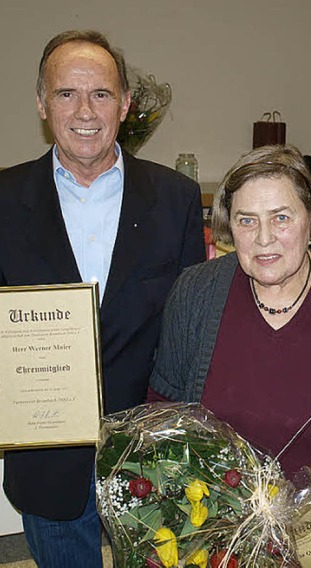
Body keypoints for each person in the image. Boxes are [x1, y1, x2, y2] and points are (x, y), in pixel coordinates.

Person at [148, 143, 311, 558]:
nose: (264, 238)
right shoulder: (195, 294)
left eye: (281, 217)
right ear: (228, 226)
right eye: (247, 221)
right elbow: (163, 410)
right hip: (217, 536)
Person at [0, 30, 205, 567]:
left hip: (153, 463)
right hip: (48, 465)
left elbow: (193, 330)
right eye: (66, 93)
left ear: (126, 105)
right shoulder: (1, 200)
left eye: (102, 94)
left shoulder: (176, 199)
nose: (85, 110)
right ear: (42, 105)